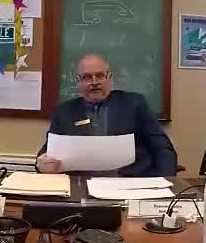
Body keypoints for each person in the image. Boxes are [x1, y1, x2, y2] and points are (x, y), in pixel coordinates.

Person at [36, 55, 176, 177]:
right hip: (80, 184)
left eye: (100, 75)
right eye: (87, 77)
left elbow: (163, 149)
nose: (94, 82)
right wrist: (42, 164)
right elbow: (48, 151)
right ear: (78, 81)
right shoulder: (64, 112)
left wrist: (167, 181)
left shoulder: (134, 104)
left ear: (109, 77)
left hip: (129, 182)